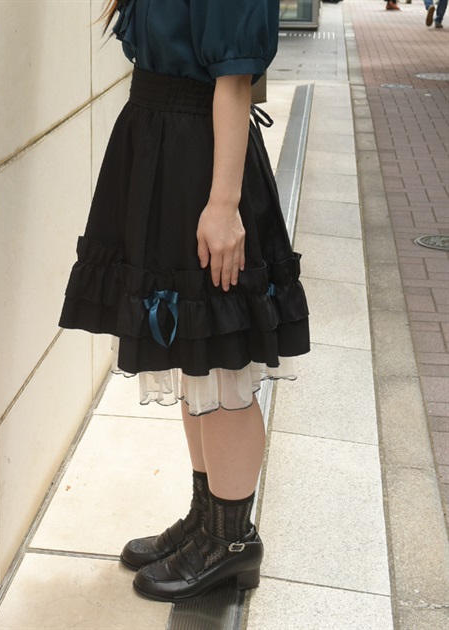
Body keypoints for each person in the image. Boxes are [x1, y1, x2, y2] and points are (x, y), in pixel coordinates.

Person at [59, 0, 310, 602]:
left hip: (199, 156)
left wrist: (223, 205)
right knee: (195, 354)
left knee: (222, 360)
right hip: (162, 146)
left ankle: (231, 541)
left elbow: (235, 78)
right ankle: (208, 519)